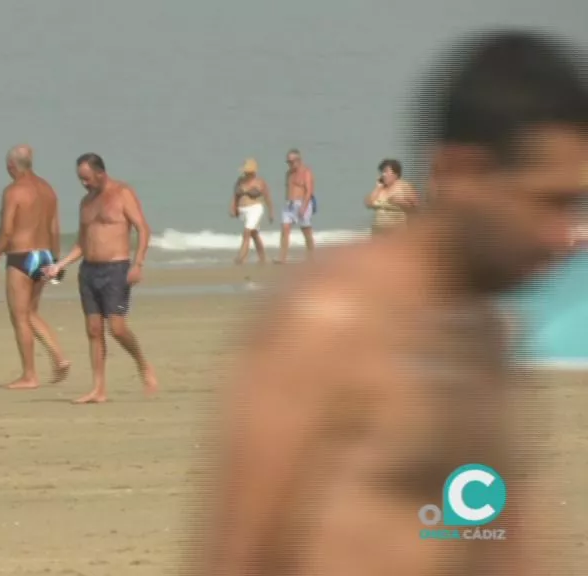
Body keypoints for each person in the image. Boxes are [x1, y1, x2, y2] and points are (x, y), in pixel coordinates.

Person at [187, 30, 587, 575]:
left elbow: (499, 539)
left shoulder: (489, 333)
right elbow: (234, 558)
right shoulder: (328, 323)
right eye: (548, 202)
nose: (565, 236)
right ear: (463, 174)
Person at [44, 153, 158, 404]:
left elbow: (143, 229)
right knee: (94, 330)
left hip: (116, 269)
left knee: (117, 328)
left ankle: (142, 363)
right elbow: (82, 243)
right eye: (80, 179)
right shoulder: (86, 202)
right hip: (89, 271)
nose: (83, 183)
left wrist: (138, 263)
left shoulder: (122, 193)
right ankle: (98, 389)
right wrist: (59, 265)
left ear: (100, 173)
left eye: (87, 178)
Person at [0, 144, 70, 389]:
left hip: (21, 256)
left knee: (20, 316)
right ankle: (59, 358)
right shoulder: (48, 189)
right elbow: (54, 228)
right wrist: (55, 261)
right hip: (44, 256)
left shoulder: (13, 191)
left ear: (11, 166)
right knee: (30, 313)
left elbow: (6, 230)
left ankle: (30, 375)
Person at [229, 158, 274, 265]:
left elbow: (267, 197)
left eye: (248, 171)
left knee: (247, 232)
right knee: (254, 234)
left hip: (255, 209)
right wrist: (233, 207)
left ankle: (241, 258)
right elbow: (235, 196)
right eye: (245, 171)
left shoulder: (260, 182)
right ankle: (263, 257)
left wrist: (271, 212)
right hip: (243, 210)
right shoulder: (240, 181)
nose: (246, 173)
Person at [275, 148, 316, 263]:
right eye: (288, 162)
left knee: (306, 231)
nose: (289, 164)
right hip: (289, 204)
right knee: (285, 229)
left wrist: (304, 207)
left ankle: (311, 256)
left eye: (291, 162)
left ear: (298, 160)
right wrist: (287, 202)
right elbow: (288, 188)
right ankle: (282, 257)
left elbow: (309, 191)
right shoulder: (288, 173)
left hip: (302, 203)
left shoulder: (306, 172)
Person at [365, 158, 421, 236]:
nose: (383, 174)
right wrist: (378, 187)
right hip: (377, 234)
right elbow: (368, 204)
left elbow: (416, 208)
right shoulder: (380, 188)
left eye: (386, 171)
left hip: (396, 234)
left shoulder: (404, 187)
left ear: (396, 174)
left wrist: (402, 203)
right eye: (382, 172)